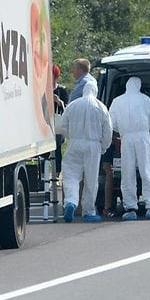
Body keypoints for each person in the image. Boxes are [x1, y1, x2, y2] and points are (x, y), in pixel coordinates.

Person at [56, 82, 112, 223]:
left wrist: (71, 137)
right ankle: (89, 211)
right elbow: (108, 130)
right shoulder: (101, 107)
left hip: (75, 143)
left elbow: (63, 125)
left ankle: (70, 201)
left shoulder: (73, 105)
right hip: (93, 145)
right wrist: (103, 147)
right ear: (95, 91)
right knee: (91, 179)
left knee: (71, 175)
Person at [109, 76, 150, 220]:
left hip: (126, 138)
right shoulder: (145, 99)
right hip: (143, 137)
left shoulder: (117, 101)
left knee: (127, 173)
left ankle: (130, 207)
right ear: (139, 86)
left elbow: (112, 123)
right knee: (148, 171)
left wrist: (123, 131)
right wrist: (143, 129)